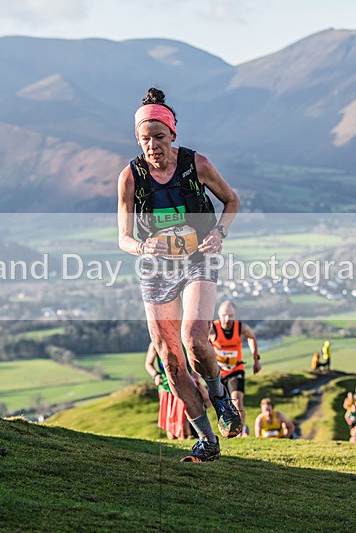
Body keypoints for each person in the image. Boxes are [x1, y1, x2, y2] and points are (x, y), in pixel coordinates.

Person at [117, 87, 241, 462]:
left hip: (199, 258)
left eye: (159, 136)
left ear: (172, 134)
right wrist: (142, 247)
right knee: (170, 360)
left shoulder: (195, 164)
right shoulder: (130, 177)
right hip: (156, 268)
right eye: (145, 139)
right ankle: (206, 440)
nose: (152, 145)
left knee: (194, 338)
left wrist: (219, 233)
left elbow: (231, 200)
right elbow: (123, 237)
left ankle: (220, 397)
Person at [209, 300, 261, 436]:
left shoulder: (241, 328)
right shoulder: (212, 329)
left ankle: (240, 431)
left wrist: (256, 359)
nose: (227, 319)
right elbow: (201, 343)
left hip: (236, 370)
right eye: (224, 315)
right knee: (219, 404)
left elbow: (252, 337)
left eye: (231, 315)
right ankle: (222, 430)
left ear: (235, 315)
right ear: (219, 314)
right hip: (218, 372)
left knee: (237, 399)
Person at [144, 343, 210, 440]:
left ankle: (190, 433)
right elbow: (148, 364)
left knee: (205, 400)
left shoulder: (185, 339)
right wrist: (155, 375)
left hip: (187, 382)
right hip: (167, 385)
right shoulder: (156, 342)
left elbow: (196, 358)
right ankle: (179, 440)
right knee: (171, 422)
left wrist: (195, 373)